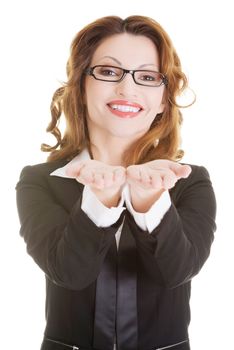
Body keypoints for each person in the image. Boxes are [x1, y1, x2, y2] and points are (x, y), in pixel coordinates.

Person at [16, 15, 216, 350]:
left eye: (148, 76)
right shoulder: (40, 181)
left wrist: (151, 203)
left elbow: (177, 272)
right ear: (81, 85)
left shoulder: (189, 182)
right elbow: (68, 272)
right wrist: (100, 201)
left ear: (164, 100)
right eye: (109, 72)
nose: (127, 88)